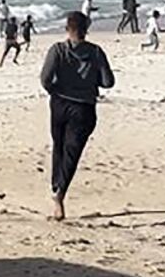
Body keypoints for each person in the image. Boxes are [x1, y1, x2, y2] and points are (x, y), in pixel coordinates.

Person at [40, 12, 115, 221]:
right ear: (86, 29)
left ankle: (56, 186)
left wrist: (55, 89)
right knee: (72, 152)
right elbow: (108, 82)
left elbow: (45, 78)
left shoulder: (57, 50)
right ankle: (59, 192)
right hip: (84, 106)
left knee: (59, 146)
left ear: (67, 28)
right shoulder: (96, 52)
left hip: (59, 103)